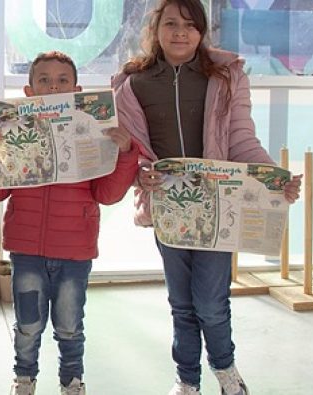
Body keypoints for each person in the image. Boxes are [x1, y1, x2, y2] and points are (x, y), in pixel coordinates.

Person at [111, 1, 302, 394]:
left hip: (221, 211)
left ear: (202, 31)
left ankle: (226, 369)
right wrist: (139, 176)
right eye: (171, 24)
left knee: (211, 304)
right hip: (168, 210)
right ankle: (187, 380)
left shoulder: (226, 76)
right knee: (181, 305)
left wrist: (273, 180)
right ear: (155, 29)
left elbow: (242, 139)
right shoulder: (133, 84)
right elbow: (131, 151)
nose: (180, 32)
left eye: (190, 25)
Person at [0, 51, 140, 395]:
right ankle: (24, 379)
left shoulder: (94, 130)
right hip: (27, 249)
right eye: (44, 80)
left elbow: (107, 194)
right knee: (27, 325)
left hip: (75, 250)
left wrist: (126, 154)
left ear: (75, 89)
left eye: (61, 80)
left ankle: (71, 382)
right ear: (30, 91)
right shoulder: (13, 130)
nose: (53, 85)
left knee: (71, 326)